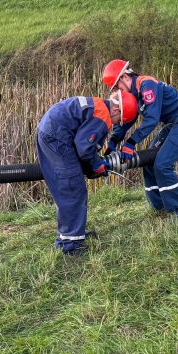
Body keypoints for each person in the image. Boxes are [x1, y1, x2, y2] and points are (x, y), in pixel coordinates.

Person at [36, 90, 137, 255]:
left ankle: (75, 234)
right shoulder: (103, 116)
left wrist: (92, 166)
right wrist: (97, 164)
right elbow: (84, 148)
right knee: (72, 189)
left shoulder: (98, 106)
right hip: (57, 138)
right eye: (119, 121)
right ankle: (70, 245)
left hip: (51, 130)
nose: (116, 125)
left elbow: (83, 143)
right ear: (117, 110)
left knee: (72, 187)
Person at [101, 59, 178, 217]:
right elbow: (127, 121)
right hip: (171, 125)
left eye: (117, 86)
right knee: (149, 161)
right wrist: (112, 143)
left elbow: (151, 119)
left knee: (162, 164)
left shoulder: (146, 85)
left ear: (124, 76)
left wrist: (131, 143)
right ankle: (159, 207)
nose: (118, 91)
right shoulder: (133, 94)